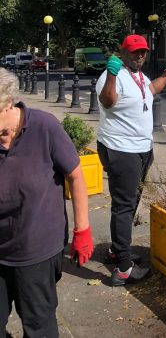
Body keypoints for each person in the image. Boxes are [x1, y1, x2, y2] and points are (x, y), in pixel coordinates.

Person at [0, 68, 93, 337]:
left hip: (36, 251)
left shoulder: (44, 127)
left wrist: (82, 230)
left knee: (39, 326)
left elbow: (75, 176)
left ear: (8, 103)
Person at [96, 34, 166, 286]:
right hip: (121, 149)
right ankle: (123, 268)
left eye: (143, 51)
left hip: (141, 148)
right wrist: (111, 74)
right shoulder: (113, 76)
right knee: (123, 205)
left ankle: (115, 249)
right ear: (124, 53)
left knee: (131, 201)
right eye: (134, 52)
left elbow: (151, 91)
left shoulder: (140, 77)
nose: (139, 55)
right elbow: (108, 102)